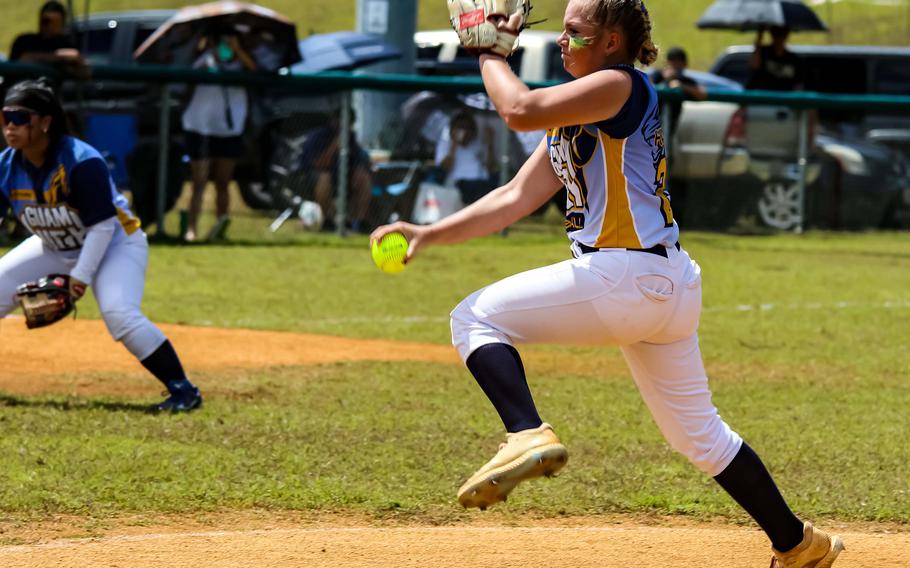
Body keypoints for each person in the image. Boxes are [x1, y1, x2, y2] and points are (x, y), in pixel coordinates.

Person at [371, 1, 843, 566]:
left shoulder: (619, 85)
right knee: (701, 439)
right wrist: (427, 233)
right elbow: (514, 198)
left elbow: (518, 108)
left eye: (576, 32)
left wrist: (486, 52)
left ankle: (526, 432)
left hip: (625, 275)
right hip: (664, 285)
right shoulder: (580, 110)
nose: (564, 42)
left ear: (613, 41)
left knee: (474, 317)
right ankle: (798, 545)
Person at [0, 79, 202, 413]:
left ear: (45, 122)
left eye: (20, 117)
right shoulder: (6, 166)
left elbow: (103, 225)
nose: (10, 125)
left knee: (119, 314)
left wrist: (80, 279)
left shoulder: (80, 161)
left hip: (115, 243)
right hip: (54, 244)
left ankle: (184, 390)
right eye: (5, 116)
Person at [181, 29, 257, 242]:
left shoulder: (242, 62)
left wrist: (237, 50)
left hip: (228, 128)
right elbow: (188, 76)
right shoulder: (203, 60)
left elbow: (254, 70)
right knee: (199, 181)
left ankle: (220, 227)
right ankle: (192, 230)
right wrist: (208, 50)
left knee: (223, 181)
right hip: (199, 126)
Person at [297, 111, 373, 233]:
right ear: (334, 119)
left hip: (341, 177)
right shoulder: (320, 135)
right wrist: (336, 144)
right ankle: (328, 221)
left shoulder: (350, 137)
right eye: (342, 121)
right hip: (311, 179)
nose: (345, 125)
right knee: (325, 178)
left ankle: (359, 222)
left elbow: (360, 160)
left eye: (349, 122)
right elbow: (320, 164)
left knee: (362, 177)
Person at [434, 109, 498, 205]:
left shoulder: (480, 143)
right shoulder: (445, 144)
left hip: (481, 184)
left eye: (468, 128)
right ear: (453, 128)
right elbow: (444, 168)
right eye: (460, 127)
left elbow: (491, 168)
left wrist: (490, 144)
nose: (465, 131)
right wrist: (454, 145)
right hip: (457, 186)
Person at [8, 1, 86, 77]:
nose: (49, 26)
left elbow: (84, 71)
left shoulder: (66, 44)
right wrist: (59, 57)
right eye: (46, 21)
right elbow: (23, 59)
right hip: (22, 87)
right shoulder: (24, 41)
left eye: (54, 22)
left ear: (62, 23)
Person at [649, 46, 706, 137]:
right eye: (673, 62)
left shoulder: (683, 80)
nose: (675, 66)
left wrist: (682, 86)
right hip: (650, 125)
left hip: (671, 126)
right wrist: (665, 79)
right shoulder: (658, 75)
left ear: (684, 64)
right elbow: (647, 85)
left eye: (678, 62)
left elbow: (702, 93)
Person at [748, 26, 804, 92]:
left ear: (786, 35)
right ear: (772, 34)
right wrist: (760, 35)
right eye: (776, 33)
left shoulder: (794, 59)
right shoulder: (764, 53)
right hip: (764, 96)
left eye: (782, 34)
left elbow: (798, 84)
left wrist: (795, 100)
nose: (779, 38)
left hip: (785, 98)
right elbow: (754, 66)